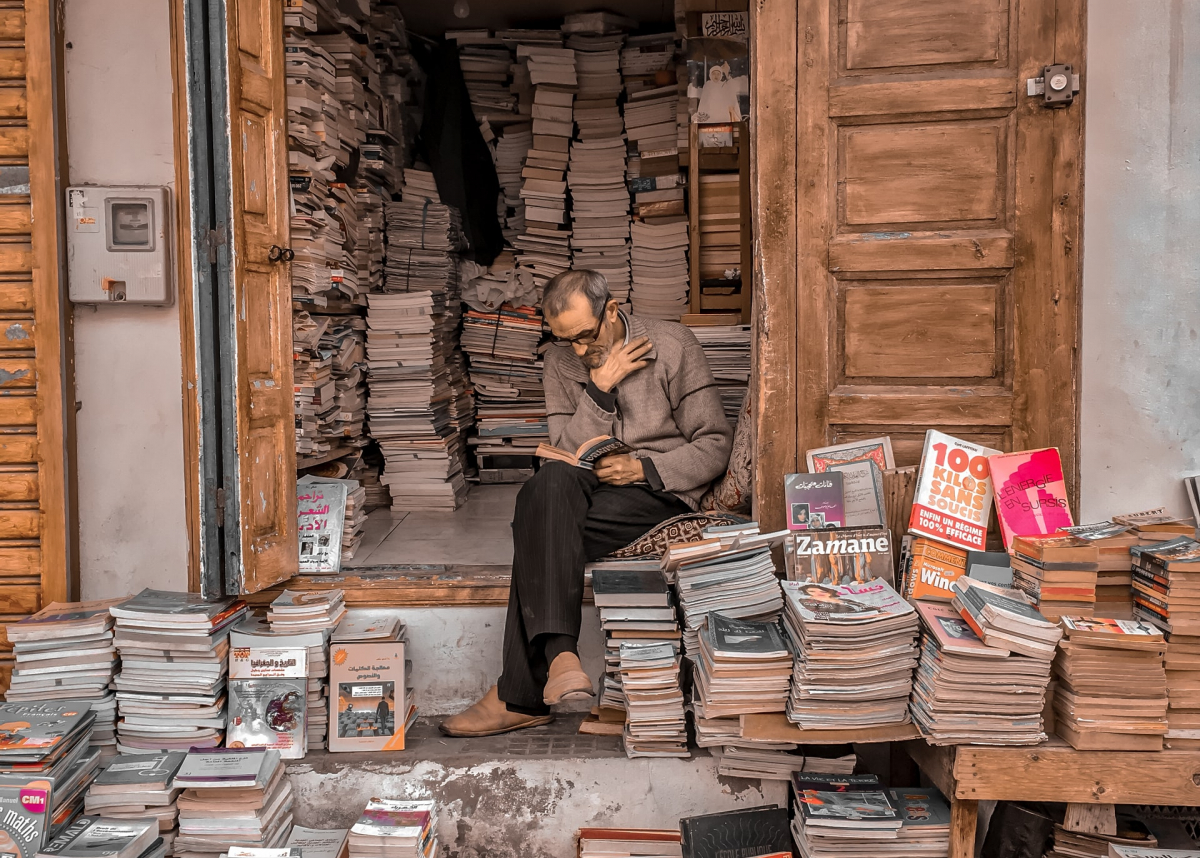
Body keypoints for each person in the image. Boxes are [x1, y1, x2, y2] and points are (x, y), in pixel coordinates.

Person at [440, 270, 734, 737]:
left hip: (658, 490)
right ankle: (560, 660)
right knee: (548, 488)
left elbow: (715, 443)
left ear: (611, 311)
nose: (577, 350)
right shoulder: (561, 361)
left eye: (584, 336)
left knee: (538, 525)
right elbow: (564, 448)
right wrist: (599, 387)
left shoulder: (674, 344)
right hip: (588, 487)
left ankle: (522, 691)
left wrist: (643, 469)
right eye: (565, 340)